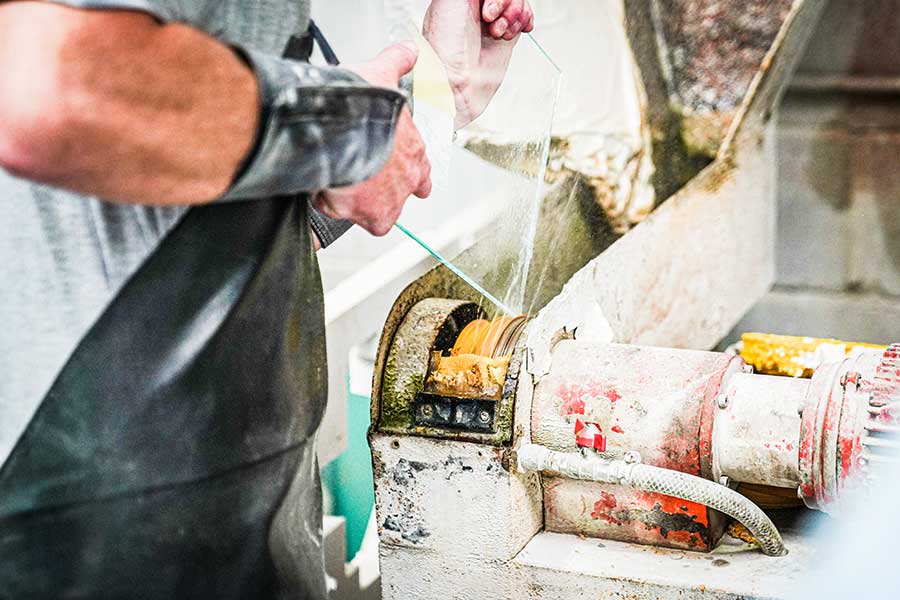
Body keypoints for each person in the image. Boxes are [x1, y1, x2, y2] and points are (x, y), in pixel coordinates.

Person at [0, 0, 533, 598]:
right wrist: (347, 129)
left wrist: (435, 95)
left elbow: (217, 172)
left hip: (238, 509)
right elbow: (46, 86)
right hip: (88, 527)